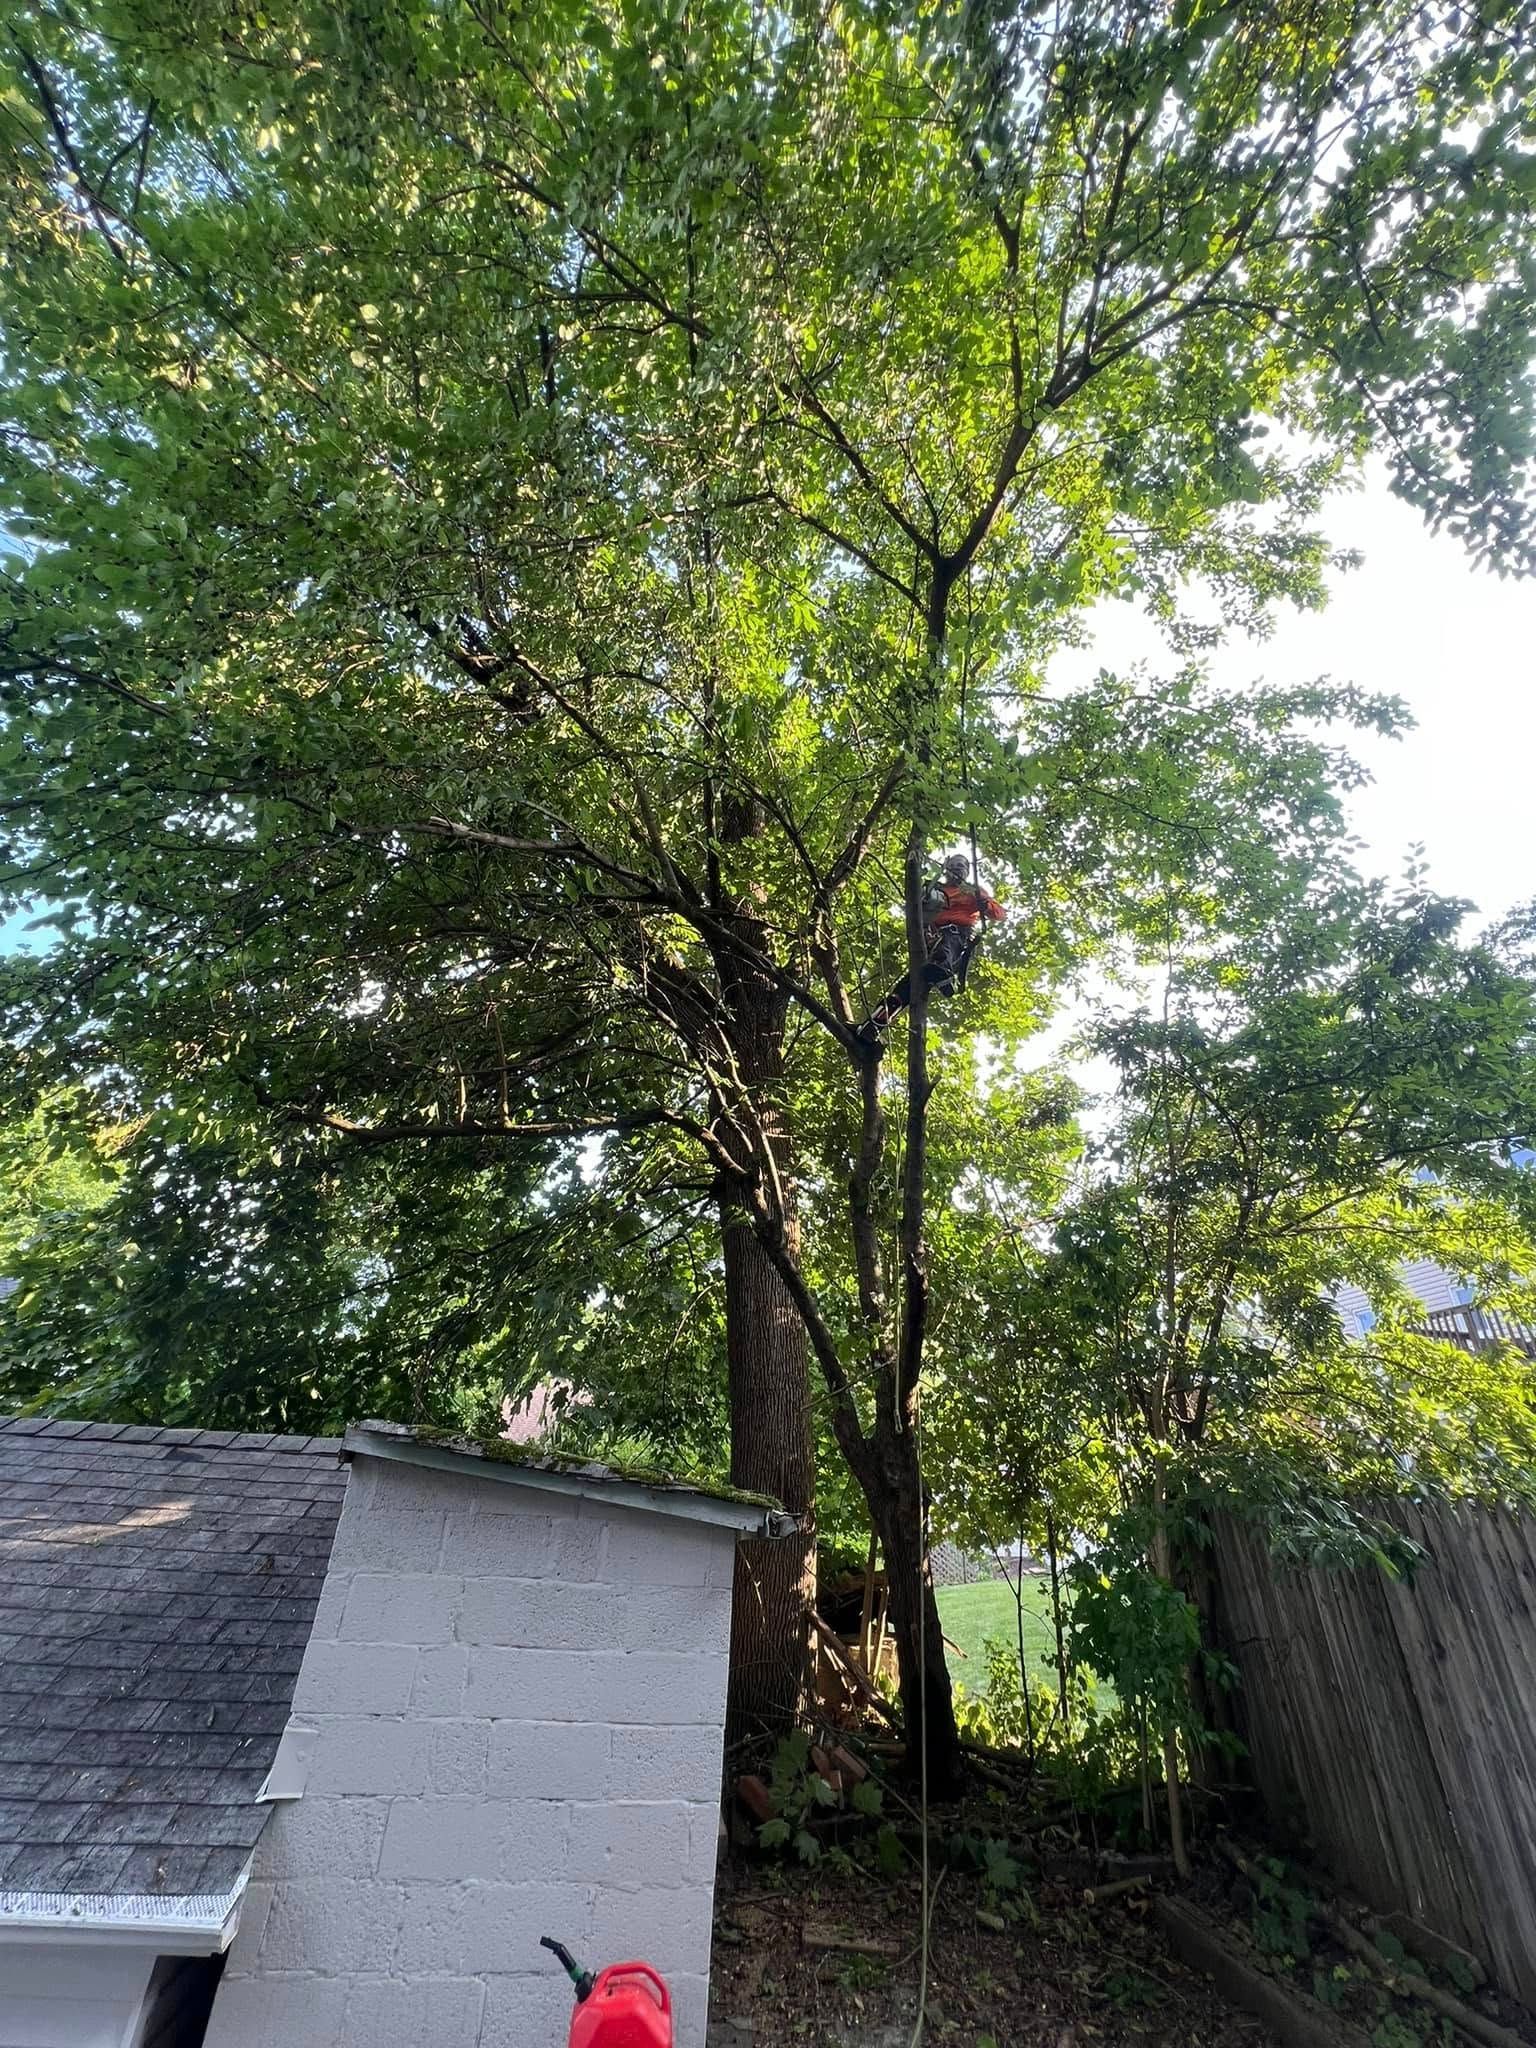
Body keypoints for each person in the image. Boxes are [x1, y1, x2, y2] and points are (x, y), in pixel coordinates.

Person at [857, 853, 1005, 1046]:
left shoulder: (973, 891)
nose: (958, 868)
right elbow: (914, 910)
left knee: (945, 947)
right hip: (929, 939)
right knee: (906, 987)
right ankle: (873, 1026)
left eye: (962, 865)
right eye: (954, 865)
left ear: (968, 871)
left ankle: (942, 972)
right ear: (946, 868)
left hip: (956, 935)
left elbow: (999, 914)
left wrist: (984, 903)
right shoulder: (935, 888)